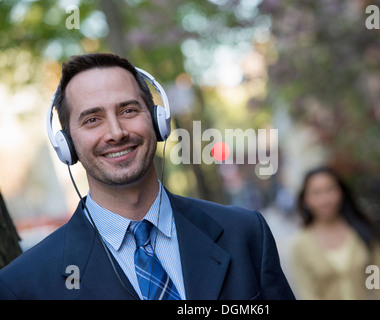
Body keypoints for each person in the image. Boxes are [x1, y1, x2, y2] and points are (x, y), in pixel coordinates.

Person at [0, 52, 295, 300]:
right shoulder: (22, 285)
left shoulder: (245, 233)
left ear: (157, 121)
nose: (116, 133)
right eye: (92, 119)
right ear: (66, 144)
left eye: (128, 110)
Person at [290, 166, 380, 300]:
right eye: (316, 193)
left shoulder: (361, 231)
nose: (325, 199)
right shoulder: (301, 245)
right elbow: (308, 294)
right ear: (305, 200)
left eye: (330, 189)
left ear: (341, 192)